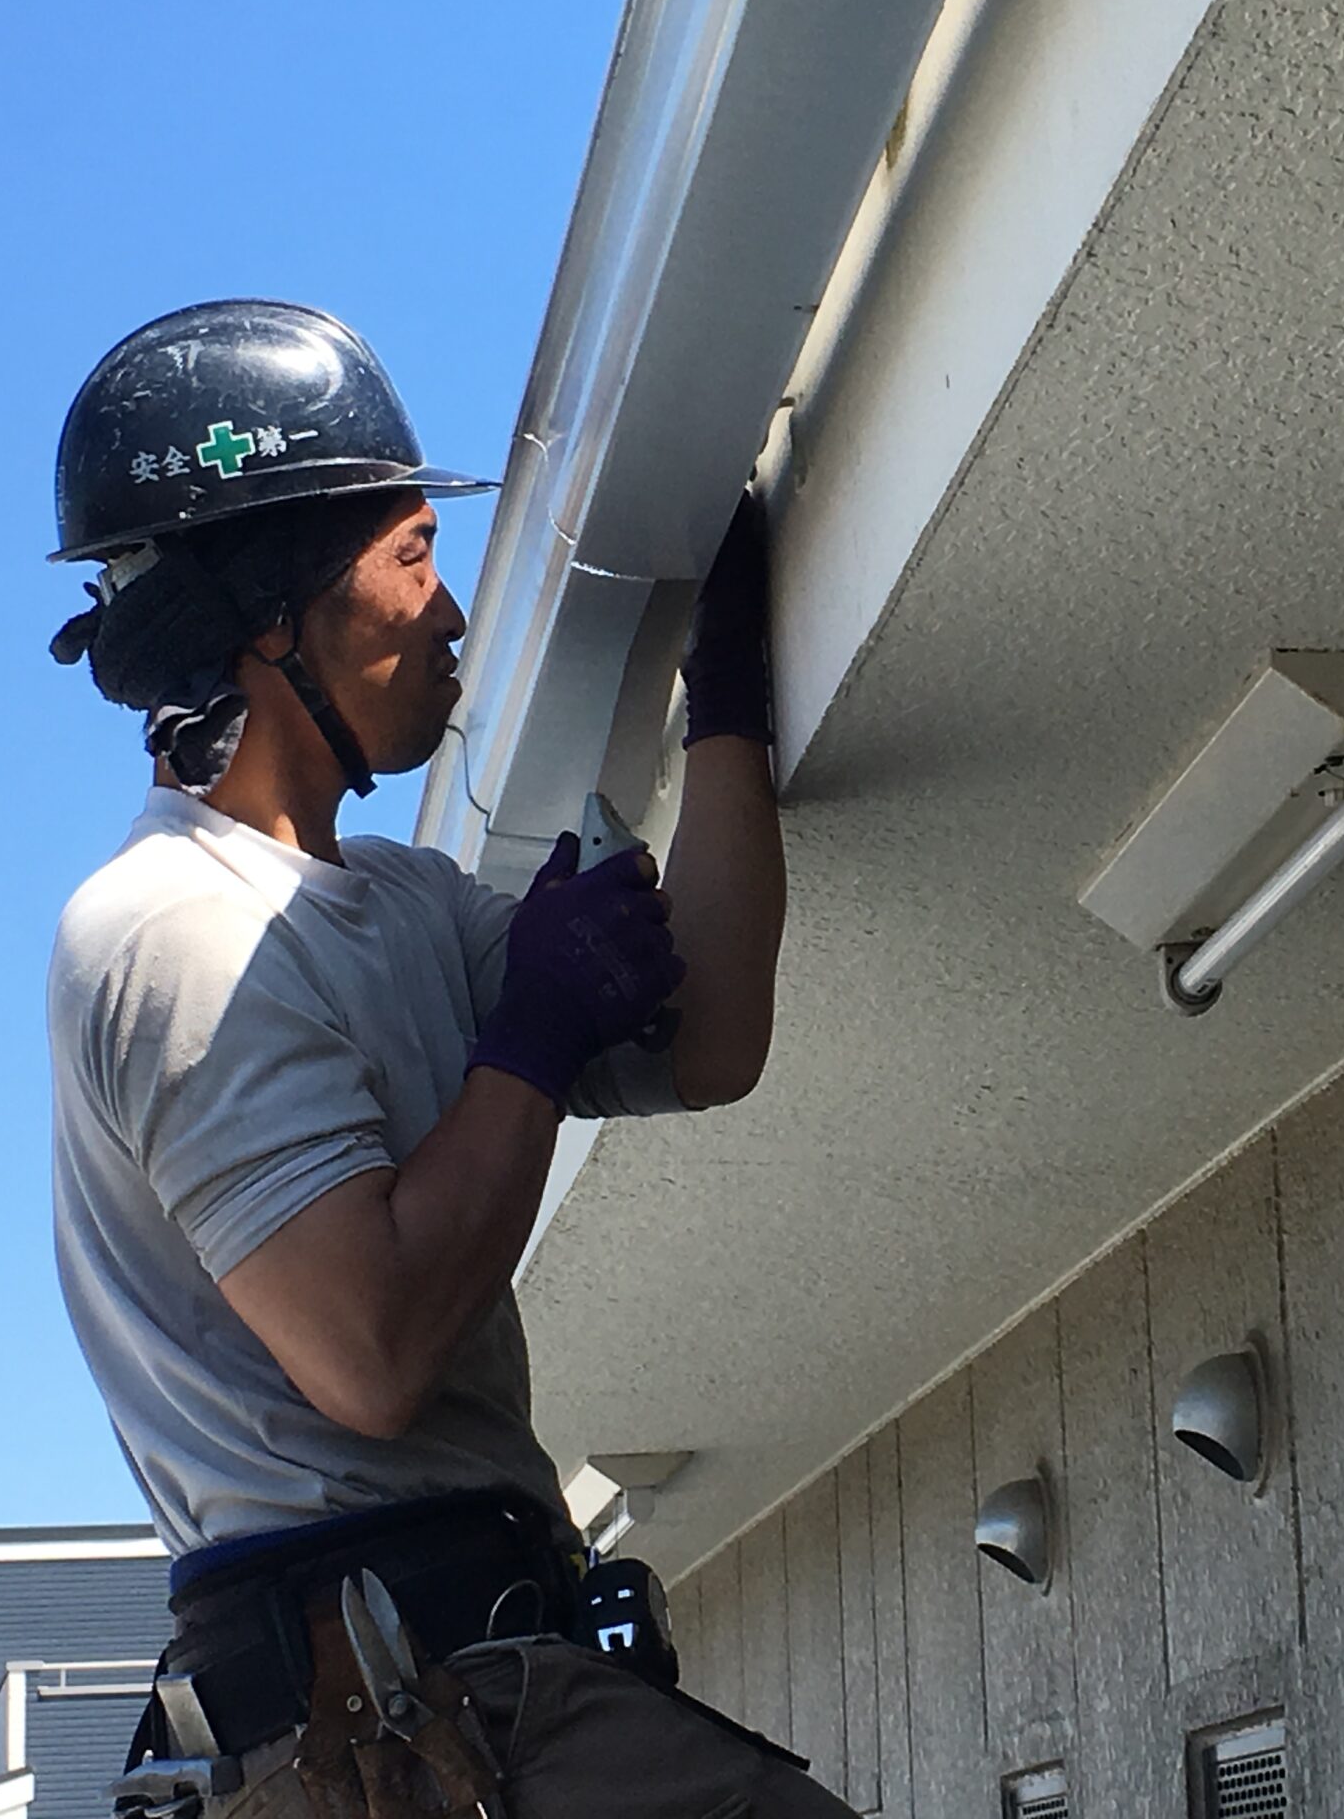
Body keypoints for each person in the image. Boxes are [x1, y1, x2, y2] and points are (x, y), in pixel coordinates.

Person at [45, 299, 851, 1818]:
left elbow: (716, 1032)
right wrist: (535, 1037)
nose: (452, 610)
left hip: (468, 1684)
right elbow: (371, 1352)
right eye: (412, 557)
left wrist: (726, 702)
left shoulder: (402, 906)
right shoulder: (170, 933)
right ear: (274, 610)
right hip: (377, 1721)